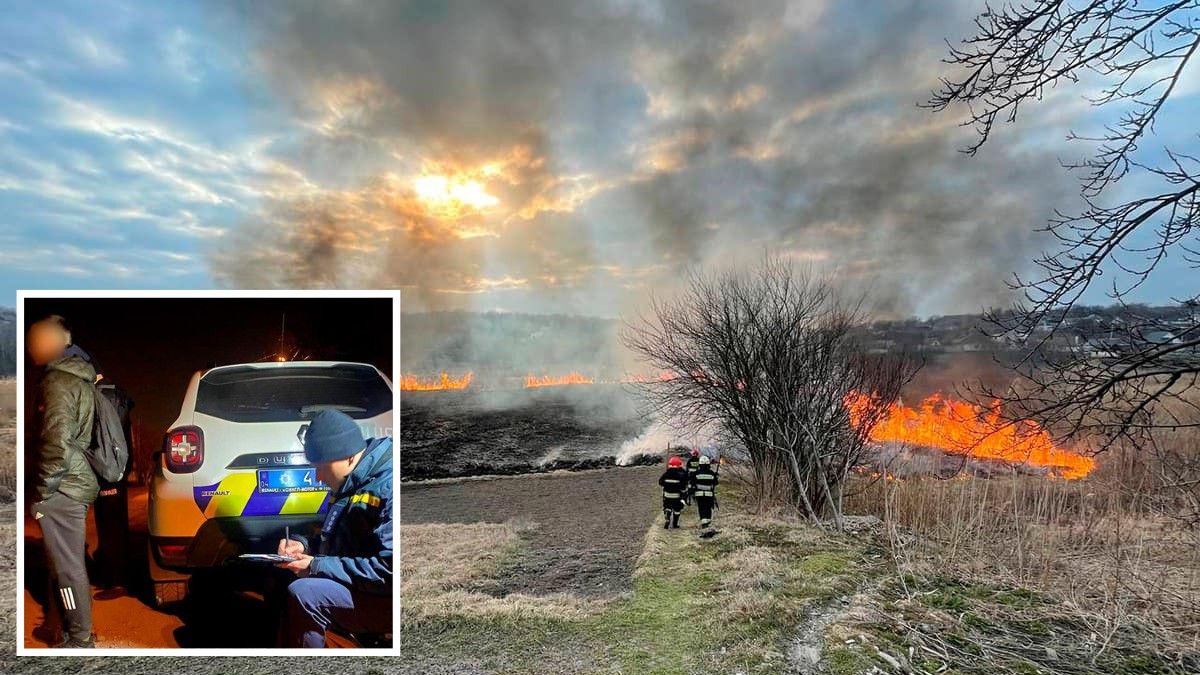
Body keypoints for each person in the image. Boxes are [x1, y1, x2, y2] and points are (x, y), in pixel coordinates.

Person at [276, 409, 393, 648]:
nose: (317, 476)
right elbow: (339, 537)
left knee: (305, 593)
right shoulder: (353, 481)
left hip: (386, 598)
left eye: (320, 467)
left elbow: (388, 572)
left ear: (348, 456)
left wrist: (316, 565)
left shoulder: (388, 487)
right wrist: (304, 545)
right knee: (278, 577)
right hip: (365, 587)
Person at [27, 315, 99, 648]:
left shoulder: (57, 381)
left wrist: (42, 492)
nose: (31, 347)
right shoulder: (78, 378)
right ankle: (75, 631)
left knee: (67, 571)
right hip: (73, 482)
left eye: (37, 339)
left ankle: (80, 639)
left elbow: (55, 441)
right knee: (67, 566)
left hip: (62, 487)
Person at [658, 456, 688, 529]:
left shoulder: (666, 473)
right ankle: (675, 524)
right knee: (677, 510)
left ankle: (667, 515)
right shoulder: (680, 475)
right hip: (676, 496)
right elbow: (683, 486)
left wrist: (666, 484)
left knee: (667, 507)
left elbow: (660, 482)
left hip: (667, 496)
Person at [690, 455, 719, 528]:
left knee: (701, 507)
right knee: (708, 507)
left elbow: (692, 483)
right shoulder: (711, 473)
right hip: (709, 494)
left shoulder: (696, 473)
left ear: (700, 464)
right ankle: (708, 522)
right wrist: (716, 476)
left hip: (699, 494)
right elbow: (715, 483)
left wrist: (690, 492)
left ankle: (704, 521)